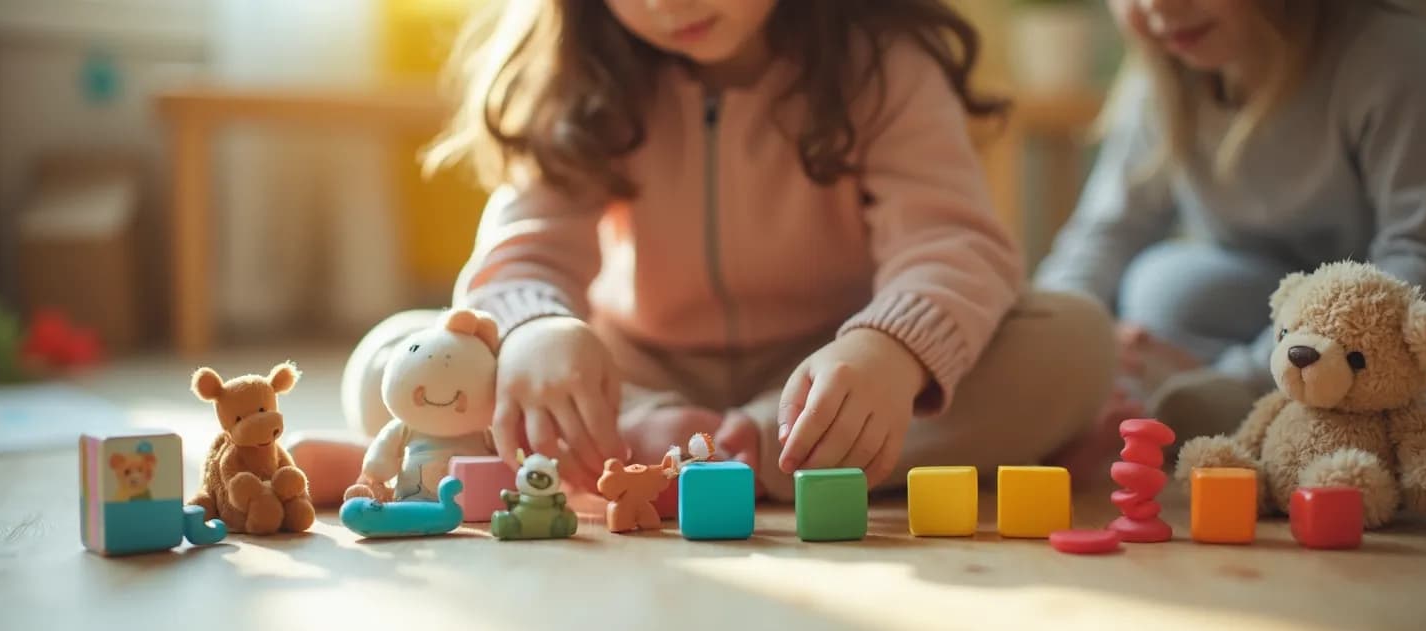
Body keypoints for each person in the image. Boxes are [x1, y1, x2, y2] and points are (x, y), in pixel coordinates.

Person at [292, 0, 1117, 503]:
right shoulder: (585, 73)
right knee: (386, 360)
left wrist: (889, 350)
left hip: (826, 386)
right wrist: (537, 332)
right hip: (632, 377)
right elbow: (526, 253)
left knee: (1074, 340)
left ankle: (715, 450)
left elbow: (951, 242)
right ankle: (688, 448)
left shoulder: (883, 68)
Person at [1035, 0, 1426, 471]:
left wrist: (1236, 379)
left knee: (1416, 402)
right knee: (1161, 287)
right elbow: (1104, 233)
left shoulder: (1389, 54)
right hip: (1282, 332)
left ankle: (1212, 411)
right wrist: (1058, 345)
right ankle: (1200, 409)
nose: (1156, 5)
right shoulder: (1163, 78)